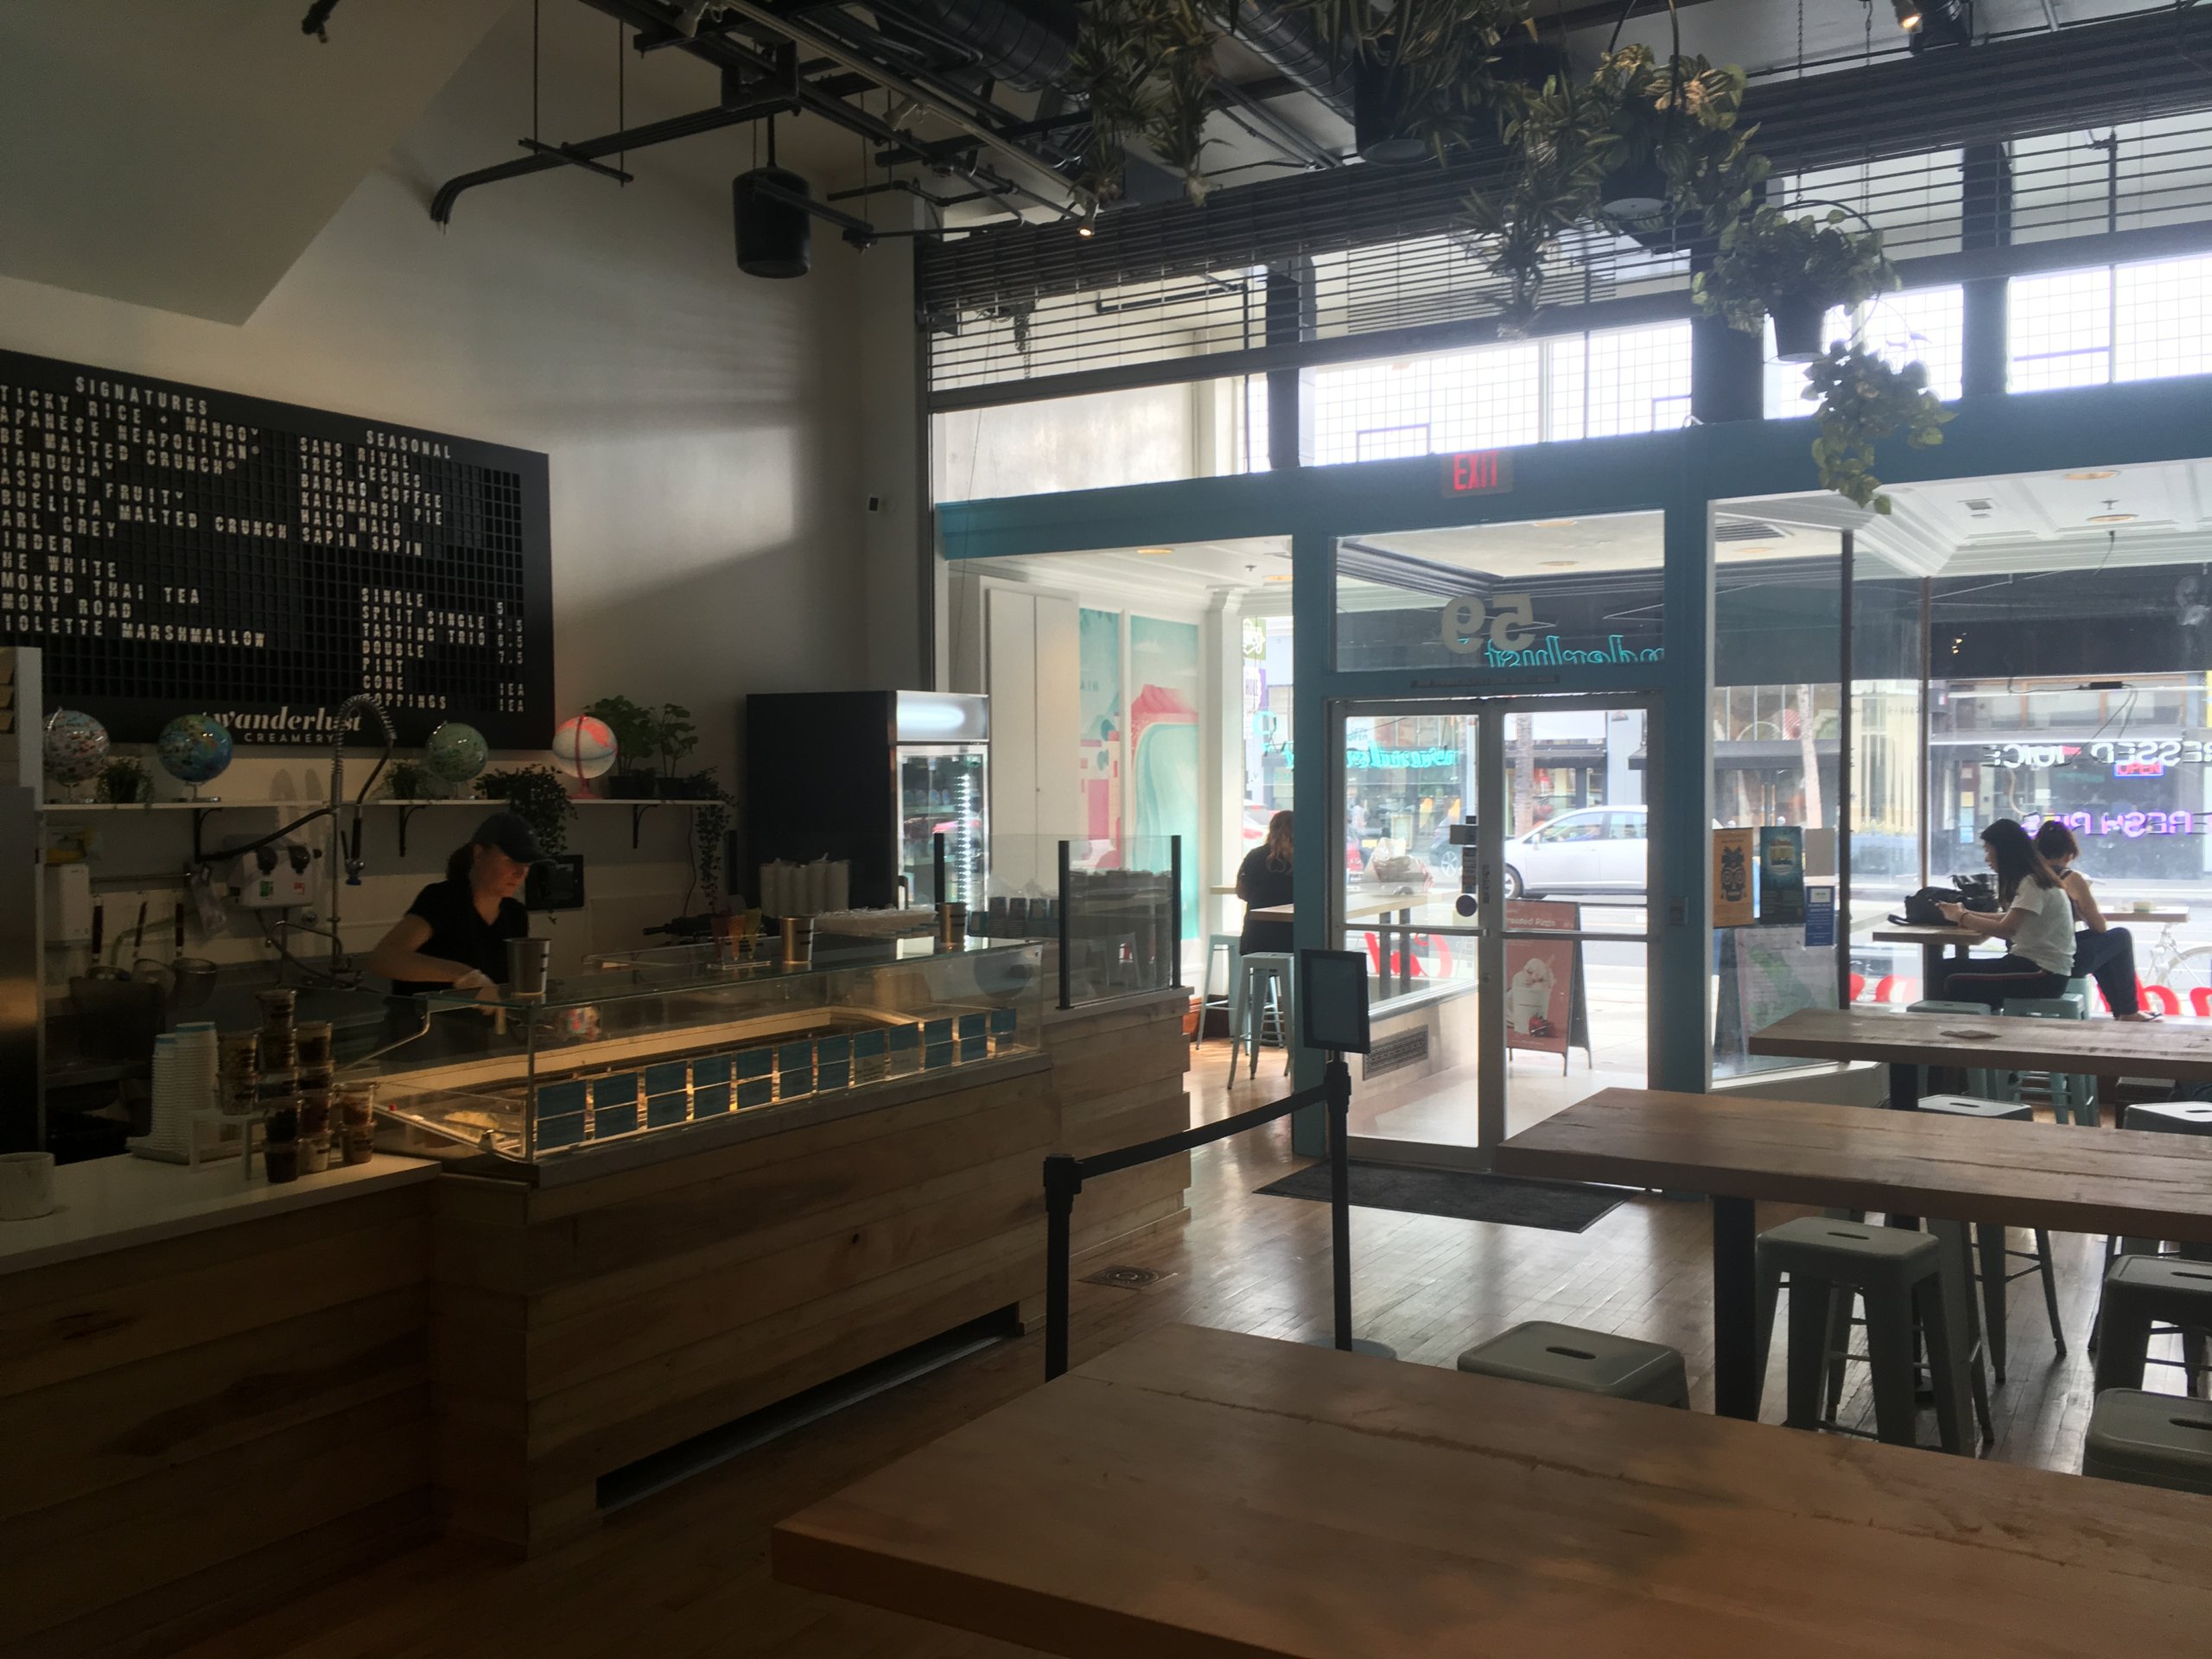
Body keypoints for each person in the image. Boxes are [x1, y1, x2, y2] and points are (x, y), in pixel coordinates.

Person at [365, 810, 541, 997]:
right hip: (426, 1015)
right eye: (511, 861)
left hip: (486, 1017)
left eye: (527, 864)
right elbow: (385, 958)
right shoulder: (443, 899)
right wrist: (465, 975)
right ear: (479, 854)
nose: (521, 872)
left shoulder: (515, 914)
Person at [1935, 817, 2075, 1011]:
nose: (1987, 859)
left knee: (1949, 976)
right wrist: (1964, 912)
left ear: (2003, 851)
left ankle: (1953, 1027)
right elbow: (2009, 918)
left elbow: (2007, 929)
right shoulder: (2035, 878)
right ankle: (1983, 1021)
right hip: (2040, 969)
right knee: (1948, 970)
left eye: (1988, 850)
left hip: (2043, 974)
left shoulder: (2032, 883)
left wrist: (1961, 917)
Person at [2032, 819, 2158, 1020]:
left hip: (2031, 955)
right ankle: (2127, 1011)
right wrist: (2082, 906)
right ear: (2068, 854)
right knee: (2119, 937)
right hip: (2060, 961)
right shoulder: (2069, 878)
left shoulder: (2028, 877)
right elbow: (2099, 926)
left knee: (2102, 943)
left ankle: (2123, 1011)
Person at [1236, 810, 1294, 956]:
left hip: (1256, 937)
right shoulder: (1306, 858)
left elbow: (1242, 893)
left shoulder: (1255, 856)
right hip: (1294, 937)